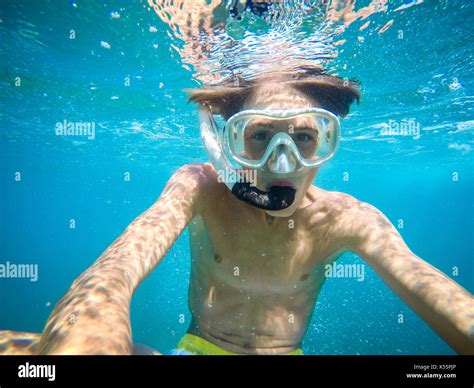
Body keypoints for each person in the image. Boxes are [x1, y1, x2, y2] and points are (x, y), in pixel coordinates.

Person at [2, 65, 471, 356]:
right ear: (227, 144)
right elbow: (115, 271)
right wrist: (89, 342)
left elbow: (432, 289)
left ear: (328, 145)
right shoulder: (202, 186)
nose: (282, 163)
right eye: (260, 136)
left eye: (305, 138)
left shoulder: (344, 218)